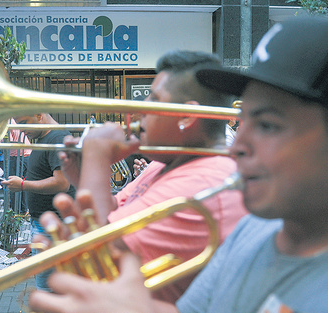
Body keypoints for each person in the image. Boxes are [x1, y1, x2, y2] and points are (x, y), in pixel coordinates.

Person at [29, 16, 328, 313]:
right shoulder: (252, 231)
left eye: (267, 125)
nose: (236, 147)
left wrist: (96, 158)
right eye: (243, 119)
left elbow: (103, 253)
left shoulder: (207, 182)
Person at [38, 50, 248, 304]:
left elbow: (101, 260)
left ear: (186, 116)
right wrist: (85, 175)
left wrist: (98, 158)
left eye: (154, 99)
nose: (139, 110)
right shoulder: (163, 165)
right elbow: (114, 211)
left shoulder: (206, 182)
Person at [1, 113, 76, 291]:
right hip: (48, 224)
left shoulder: (57, 139)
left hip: (53, 226)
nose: (21, 130)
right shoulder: (48, 137)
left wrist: (23, 185)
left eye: (24, 122)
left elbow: (61, 183)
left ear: (39, 115)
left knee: (47, 288)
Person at [8, 118, 31, 213]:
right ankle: (23, 210)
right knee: (23, 183)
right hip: (26, 154)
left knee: (14, 184)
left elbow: (9, 141)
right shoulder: (10, 120)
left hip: (18, 155)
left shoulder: (5, 122)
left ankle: (17, 211)